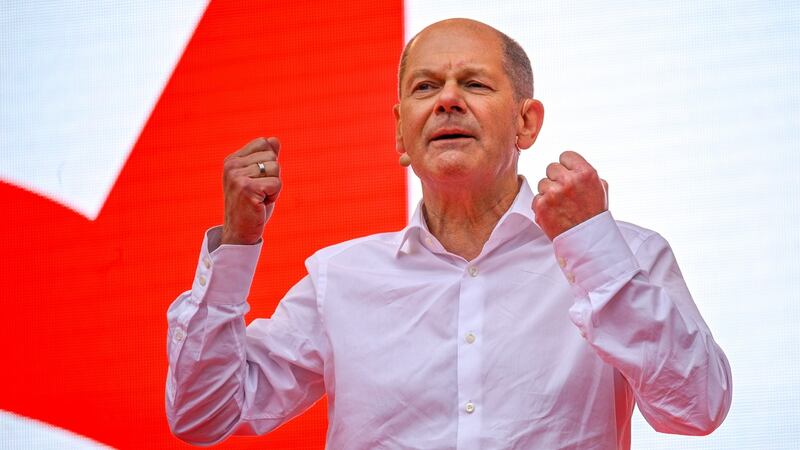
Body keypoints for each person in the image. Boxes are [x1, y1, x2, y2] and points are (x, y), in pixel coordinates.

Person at [166, 18, 732, 449]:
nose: (448, 100)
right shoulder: (338, 278)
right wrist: (238, 245)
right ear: (400, 135)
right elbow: (203, 417)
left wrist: (593, 249)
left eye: (475, 83)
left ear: (527, 122)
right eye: (425, 87)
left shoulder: (623, 253)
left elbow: (695, 409)